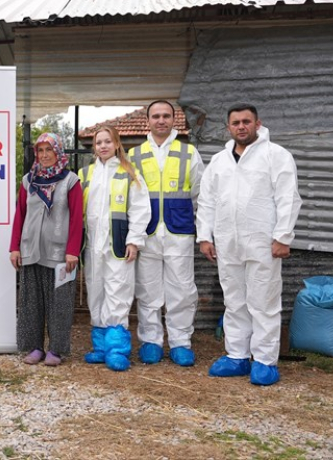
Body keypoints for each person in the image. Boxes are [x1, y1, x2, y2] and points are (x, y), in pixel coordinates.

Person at [197, 103, 302, 386]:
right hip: (227, 242)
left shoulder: (275, 155)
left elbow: (288, 198)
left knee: (264, 302)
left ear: (258, 124)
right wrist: (204, 236)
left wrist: (283, 237)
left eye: (246, 121)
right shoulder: (219, 161)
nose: (241, 127)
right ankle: (237, 355)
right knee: (234, 301)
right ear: (228, 127)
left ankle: (265, 361)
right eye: (236, 123)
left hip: (263, 242)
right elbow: (207, 201)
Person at [128, 100, 205, 367]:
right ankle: (151, 341)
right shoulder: (134, 155)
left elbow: (200, 194)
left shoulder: (188, 152)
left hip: (179, 231)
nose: (161, 120)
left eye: (166, 116)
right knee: (147, 289)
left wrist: (202, 229)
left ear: (174, 120)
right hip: (147, 233)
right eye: (156, 116)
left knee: (182, 289)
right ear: (148, 121)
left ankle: (181, 342)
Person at [80, 125, 150, 372]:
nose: (103, 146)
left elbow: (140, 209)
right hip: (93, 245)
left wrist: (134, 240)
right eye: (99, 142)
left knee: (118, 292)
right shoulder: (85, 174)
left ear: (117, 144)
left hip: (118, 245)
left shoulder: (128, 172)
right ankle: (100, 347)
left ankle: (117, 349)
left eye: (108, 141)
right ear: (94, 146)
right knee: (96, 291)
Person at [9, 132, 83, 367]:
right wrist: (15, 247)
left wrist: (73, 250)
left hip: (60, 253)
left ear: (58, 152)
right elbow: (20, 215)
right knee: (31, 303)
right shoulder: (28, 181)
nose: (44, 155)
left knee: (59, 303)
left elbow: (77, 218)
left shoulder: (70, 181)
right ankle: (35, 347)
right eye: (40, 151)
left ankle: (56, 350)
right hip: (31, 250)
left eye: (49, 150)